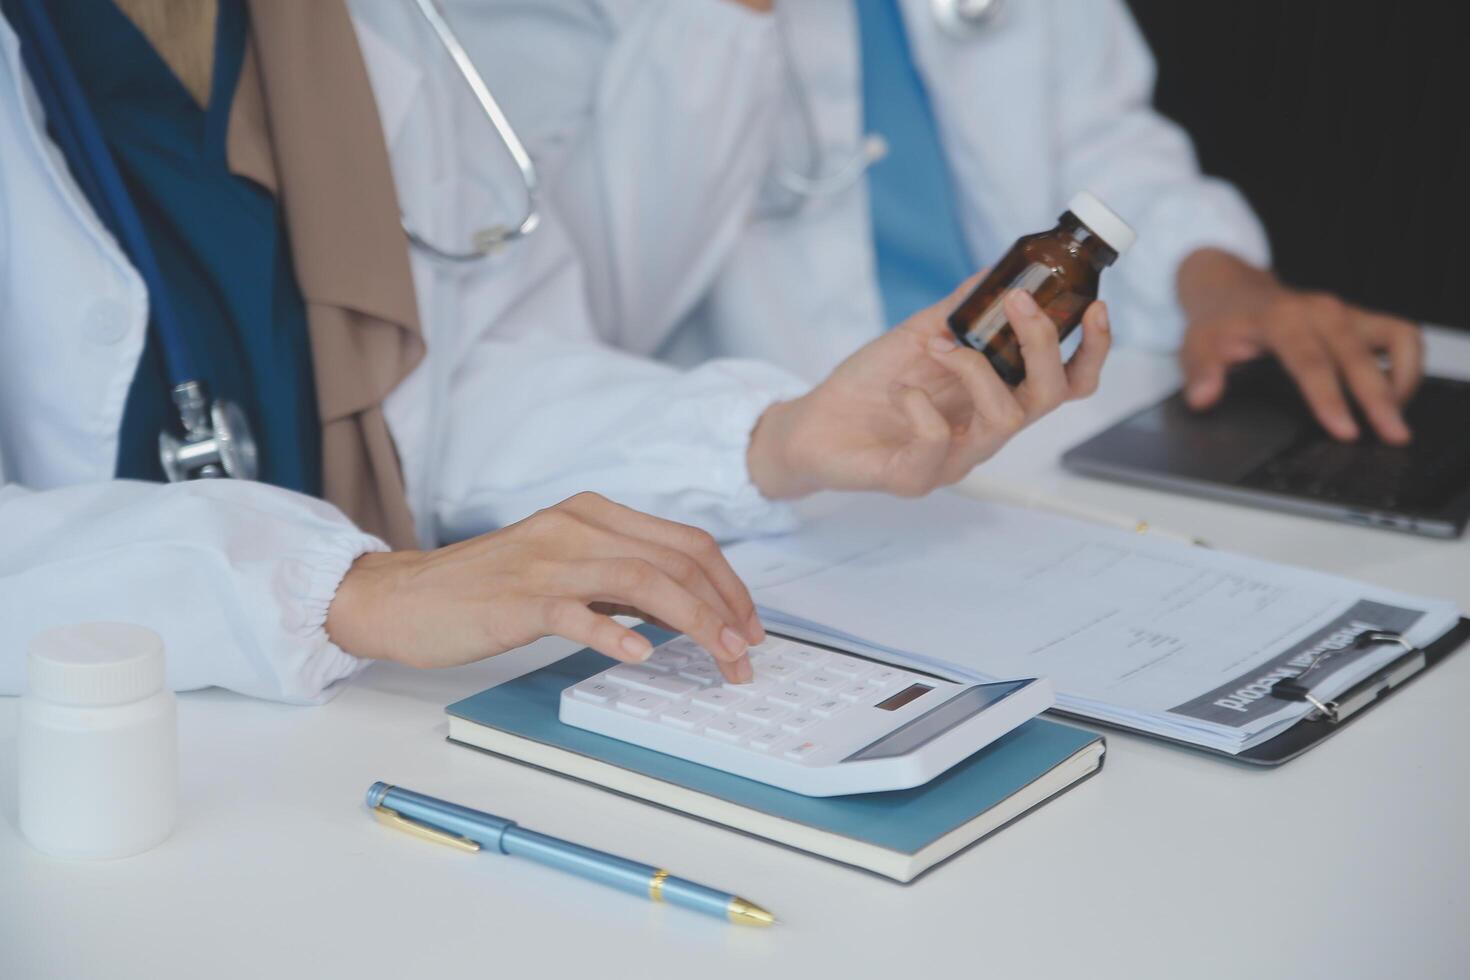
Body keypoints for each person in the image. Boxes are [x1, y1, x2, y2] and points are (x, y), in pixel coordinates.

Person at [0, 0, 1106, 702]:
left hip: (338, 726)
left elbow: (455, 379)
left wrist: (778, 436)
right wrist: (344, 586)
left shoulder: (362, 32)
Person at [452, 0, 1424, 446]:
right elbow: (579, 308)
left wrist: (1219, 282)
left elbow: (1101, 140)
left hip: (1040, 438)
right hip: (772, 483)